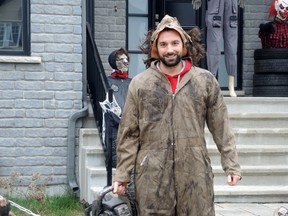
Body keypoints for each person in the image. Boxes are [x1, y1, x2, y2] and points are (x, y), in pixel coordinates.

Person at [113, 15, 241, 215]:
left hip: (194, 173)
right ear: (155, 48)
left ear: (184, 45)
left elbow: (221, 126)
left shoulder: (205, 81)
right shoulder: (140, 84)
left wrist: (231, 165)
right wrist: (122, 174)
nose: (169, 49)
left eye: (174, 43)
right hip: (152, 175)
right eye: (163, 44)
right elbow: (129, 132)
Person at [192, 0, 246, 97]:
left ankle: (231, 85)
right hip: (215, 4)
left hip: (231, 4)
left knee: (231, 46)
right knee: (214, 45)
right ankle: (212, 84)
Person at [107, 48, 132, 113]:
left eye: (126, 59)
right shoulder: (108, 82)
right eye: (121, 59)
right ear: (114, 62)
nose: (125, 61)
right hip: (114, 120)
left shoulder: (132, 82)